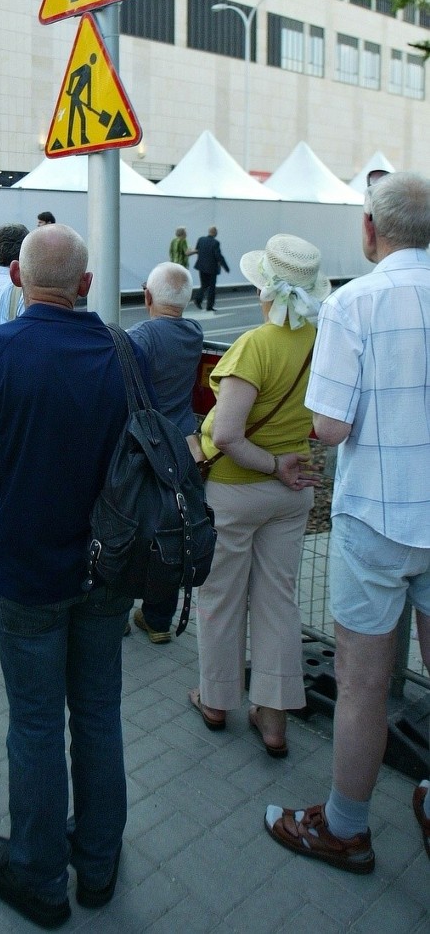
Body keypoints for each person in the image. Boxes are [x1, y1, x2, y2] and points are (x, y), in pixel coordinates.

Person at [0, 225, 152, 927]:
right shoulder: (125, 351)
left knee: (33, 722)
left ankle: (37, 872)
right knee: (97, 711)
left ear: (20, 283)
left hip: (25, 572)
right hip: (108, 571)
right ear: (86, 286)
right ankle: (97, 860)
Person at [265, 173, 430, 874]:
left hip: (379, 519)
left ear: (369, 230)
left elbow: (328, 425)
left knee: (362, 682)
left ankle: (345, 826)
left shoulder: (355, 303)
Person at [189, 235, 329, 760]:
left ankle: (217, 698)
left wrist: (269, 462)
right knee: (279, 602)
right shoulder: (323, 343)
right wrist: (286, 462)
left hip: (236, 490)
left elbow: (226, 436)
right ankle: (273, 718)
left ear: (265, 288)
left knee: (221, 597)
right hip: (294, 492)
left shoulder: (254, 345)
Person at [127, 261, 203, 642]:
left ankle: (119, 610)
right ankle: (158, 620)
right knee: (172, 529)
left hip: (143, 448)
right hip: (183, 444)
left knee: (130, 526)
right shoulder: (194, 331)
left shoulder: (140, 336)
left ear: (147, 296)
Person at [192, 226, 229, 311]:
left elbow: (197, 250)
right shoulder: (216, 242)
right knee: (212, 287)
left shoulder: (201, 239)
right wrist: (225, 267)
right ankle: (209, 306)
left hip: (201, 266)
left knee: (204, 285)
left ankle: (198, 299)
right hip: (212, 268)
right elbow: (218, 256)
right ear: (215, 232)